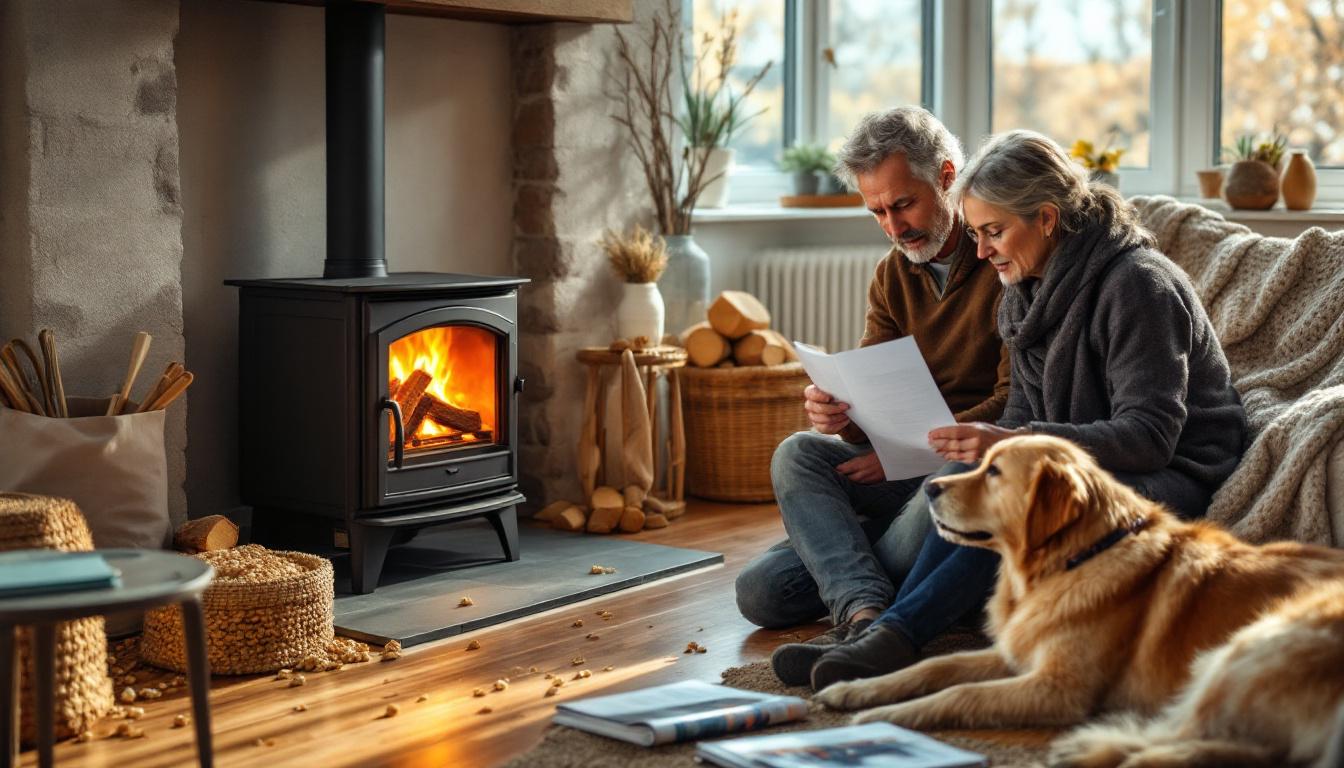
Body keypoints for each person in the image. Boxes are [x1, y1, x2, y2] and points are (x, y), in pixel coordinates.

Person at [807, 130, 1249, 691]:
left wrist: (1010, 446)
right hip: (1083, 458)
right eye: (977, 234)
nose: (984, 250)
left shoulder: (1138, 285)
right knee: (968, 479)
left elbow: (1150, 435)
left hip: (1172, 471)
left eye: (993, 232)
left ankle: (895, 635)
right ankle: (888, 632)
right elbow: (1021, 409)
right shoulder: (1024, 286)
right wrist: (989, 441)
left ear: (1046, 218)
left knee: (1017, 500)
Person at [733, 106, 1011, 687]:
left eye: (902, 204)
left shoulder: (1003, 261)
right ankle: (868, 614)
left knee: (785, 583)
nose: (892, 225)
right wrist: (839, 415)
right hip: (900, 470)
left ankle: (861, 602)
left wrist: (909, 451)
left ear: (946, 176)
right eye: (877, 211)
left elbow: (1016, 405)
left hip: (963, 466)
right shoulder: (892, 274)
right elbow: (872, 396)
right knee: (766, 564)